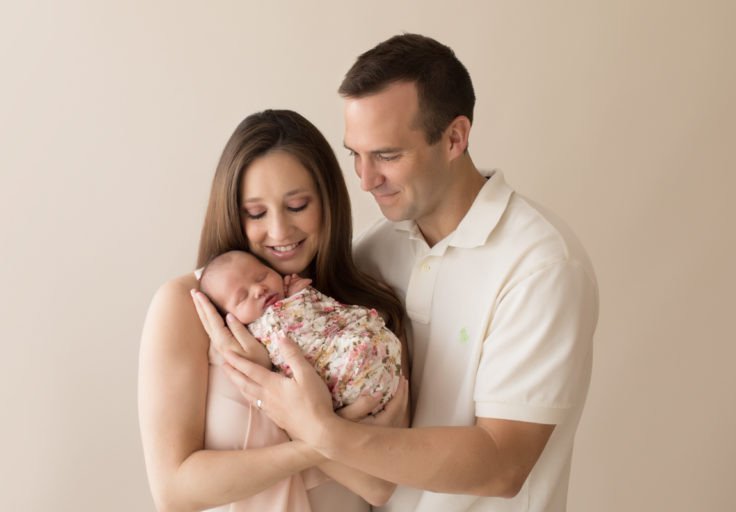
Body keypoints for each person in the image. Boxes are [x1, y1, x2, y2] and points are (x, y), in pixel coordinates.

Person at [218, 34, 599, 512]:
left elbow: (503, 464)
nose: (364, 180)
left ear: (455, 138)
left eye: (387, 155)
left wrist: (322, 432)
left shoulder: (540, 265)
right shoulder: (374, 251)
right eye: (354, 154)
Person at [138, 109, 409, 512]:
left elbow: (379, 485)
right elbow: (175, 491)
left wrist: (281, 387)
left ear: (328, 202)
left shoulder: (366, 309)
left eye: (297, 205)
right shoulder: (186, 308)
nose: (280, 232)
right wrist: (310, 429)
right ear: (234, 213)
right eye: (257, 214)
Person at [197, 249, 402, 412]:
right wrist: (296, 303)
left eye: (262, 276)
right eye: (242, 297)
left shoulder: (296, 291)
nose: (259, 290)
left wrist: (302, 296)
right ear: (229, 318)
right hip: (349, 375)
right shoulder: (254, 332)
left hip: (379, 354)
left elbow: (330, 318)